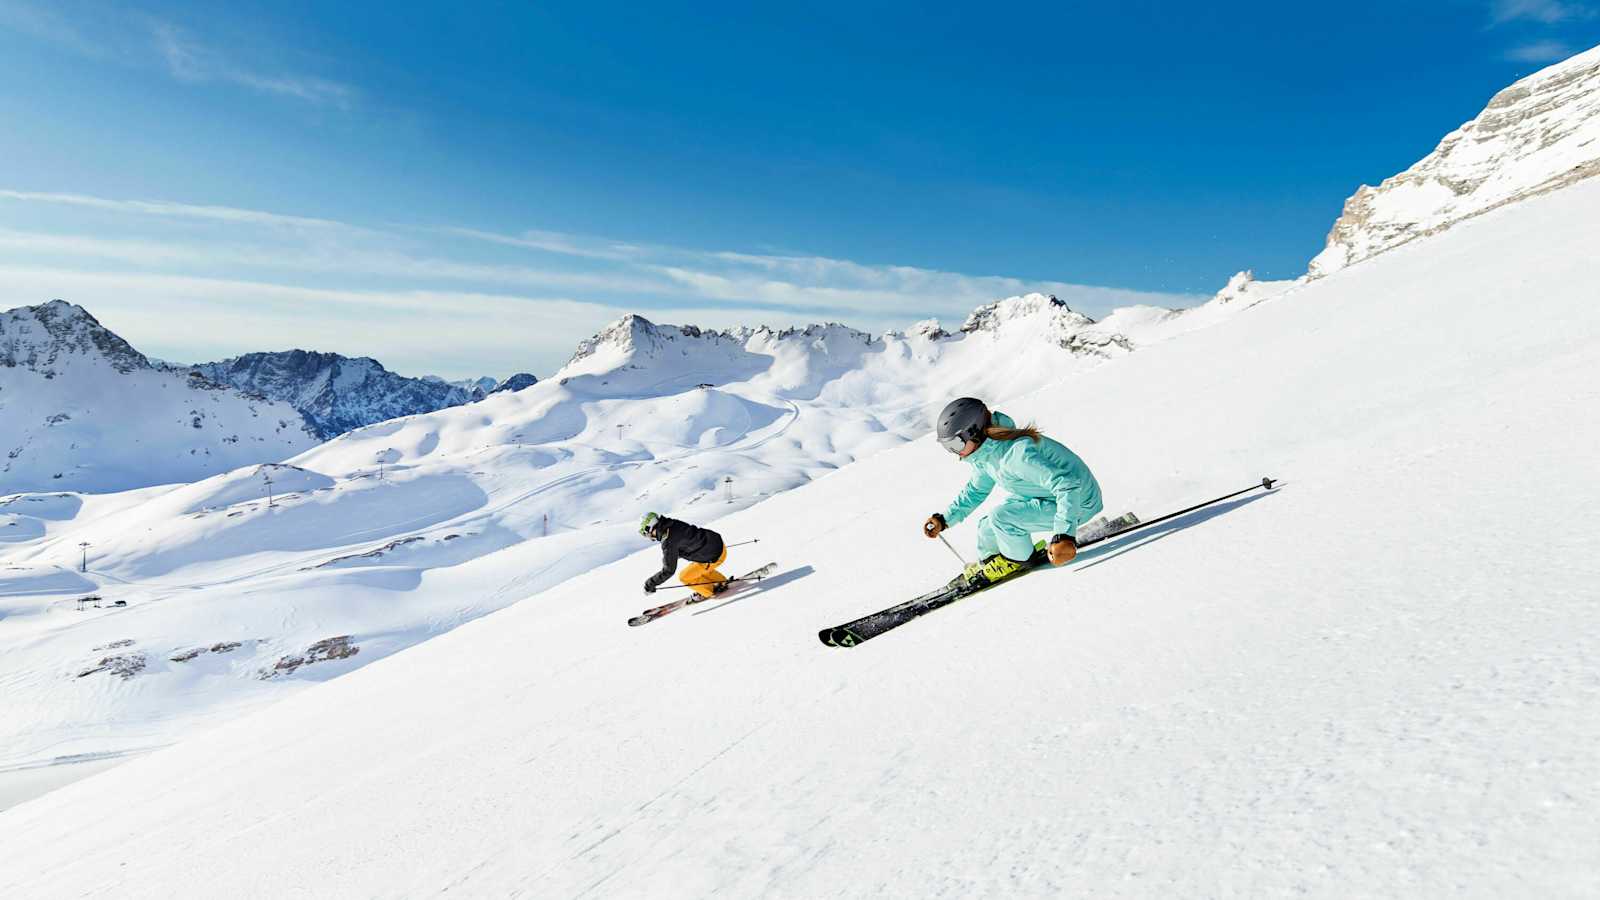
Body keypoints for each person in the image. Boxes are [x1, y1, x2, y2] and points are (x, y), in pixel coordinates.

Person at [922, 397, 1103, 587]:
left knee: (1002, 518)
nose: (954, 452)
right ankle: (993, 561)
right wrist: (945, 519)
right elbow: (975, 490)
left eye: (955, 445)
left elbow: (1067, 484)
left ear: (973, 433)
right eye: (947, 447)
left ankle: (1017, 560)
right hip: (1049, 497)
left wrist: (1064, 536)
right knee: (987, 526)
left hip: (1079, 502)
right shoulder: (988, 455)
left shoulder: (1017, 455)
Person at [639, 512, 730, 600]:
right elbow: (684, 539)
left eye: (646, 533)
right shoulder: (671, 523)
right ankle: (720, 582)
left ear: (650, 528)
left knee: (684, 577)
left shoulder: (668, 541)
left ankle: (711, 590)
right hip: (716, 543)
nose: (649, 537)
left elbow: (668, 571)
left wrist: (650, 584)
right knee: (696, 568)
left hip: (714, 555)